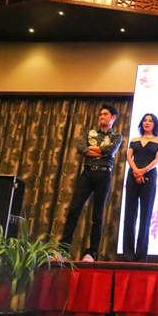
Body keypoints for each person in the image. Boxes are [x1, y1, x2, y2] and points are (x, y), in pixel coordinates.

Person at [60, 104, 123, 261]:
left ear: (113, 117)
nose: (102, 116)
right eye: (100, 114)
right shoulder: (90, 133)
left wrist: (93, 149)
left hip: (104, 175)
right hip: (87, 173)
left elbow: (110, 151)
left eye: (105, 114)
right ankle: (62, 250)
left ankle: (91, 253)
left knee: (98, 215)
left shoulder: (116, 136)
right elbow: (81, 148)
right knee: (74, 210)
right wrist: (100, 151)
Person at [122, 113, 158, 262]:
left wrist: (143, 170)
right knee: (130, 212)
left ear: (154, 124)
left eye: (150, 121)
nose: (147, 122)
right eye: (145, 120)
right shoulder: (135, 140)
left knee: (146, 214)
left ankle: (141, 256)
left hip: (149, 175)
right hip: (133, 174)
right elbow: (129, 156)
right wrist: (136, 171)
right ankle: (128, 255)